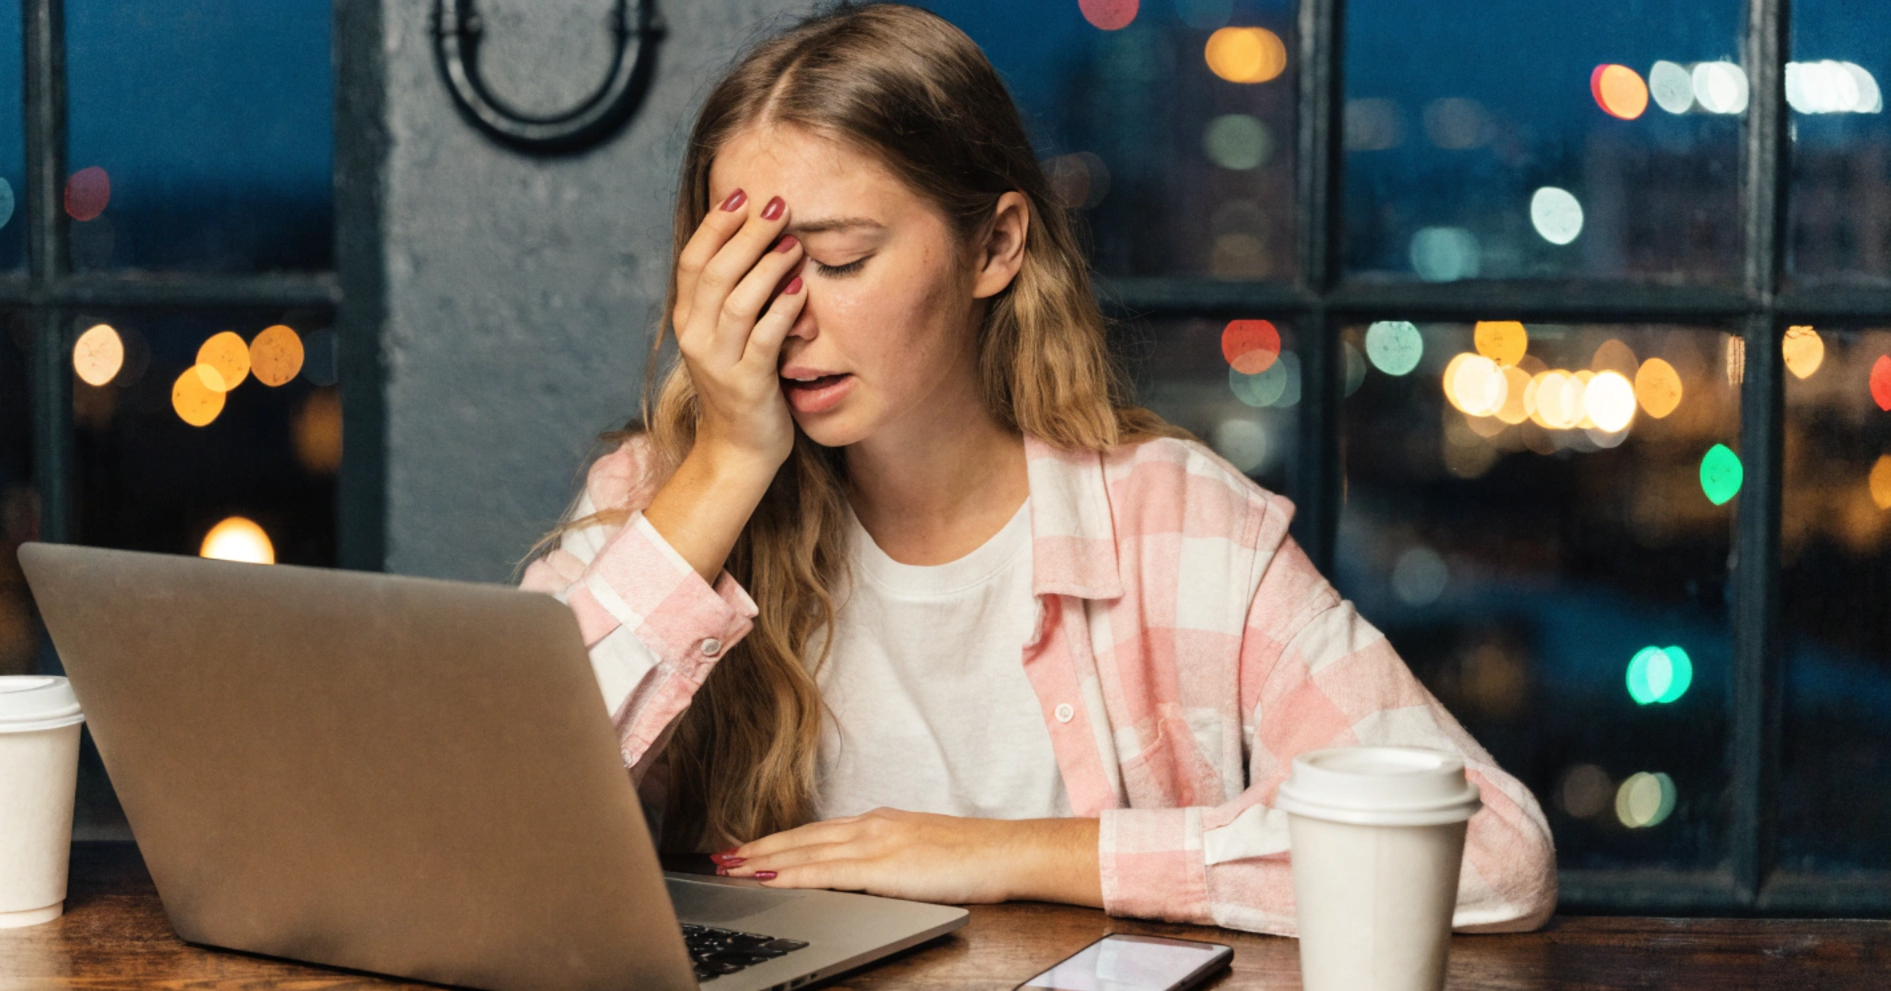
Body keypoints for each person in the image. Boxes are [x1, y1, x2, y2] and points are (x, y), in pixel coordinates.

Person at [519, 2, 1555, 935]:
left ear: (994, 247)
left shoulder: (1175, 526)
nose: (784, 323)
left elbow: (1493, 851)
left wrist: (1003, 852)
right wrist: (729, 463)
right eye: (748, 274)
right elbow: (497, 825)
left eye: (837, 263)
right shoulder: (662, 497)